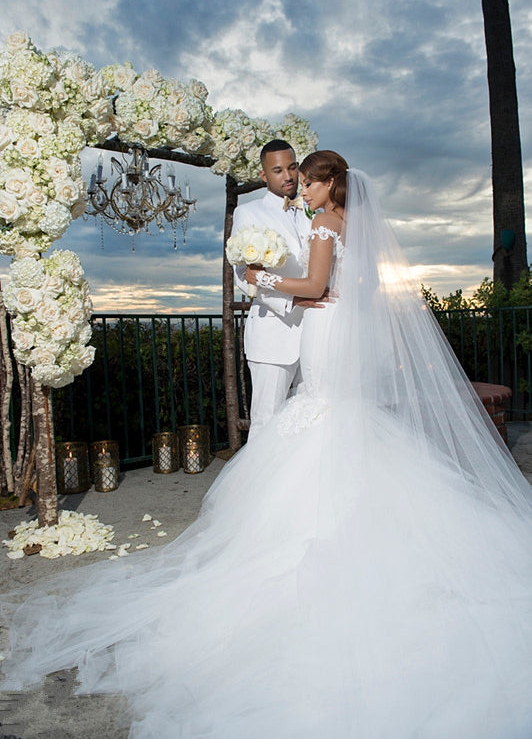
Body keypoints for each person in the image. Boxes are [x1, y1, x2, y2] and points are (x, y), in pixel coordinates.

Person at [2, 153, 532, 739]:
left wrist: (262, 280)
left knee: (320, 412)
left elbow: (314, 284)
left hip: (323, 329)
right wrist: (309, 295)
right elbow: (354, 287)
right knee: (336, 415)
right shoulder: (353, 225)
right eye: (297, 181)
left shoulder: (326, 223)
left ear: (330, 184)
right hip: (335, 328)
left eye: (309, 182)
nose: (302, 189)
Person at [230, 139, 313, 438]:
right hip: (273, 335)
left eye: (292, 167)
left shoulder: (313, 209)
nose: (288, 176)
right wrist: (292, 301)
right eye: (278, 170)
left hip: (317, 333)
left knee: (310, 422)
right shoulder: (248, 213)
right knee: (266, 425)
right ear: (264, 175)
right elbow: (242, 275)